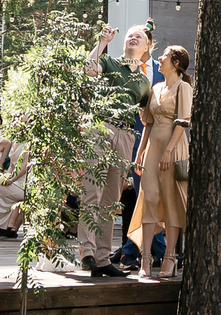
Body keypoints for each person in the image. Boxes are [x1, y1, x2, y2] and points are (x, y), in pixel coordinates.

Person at [80, 25, 153, 277]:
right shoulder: (109, 62)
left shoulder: (144, 81)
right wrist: (102, 42)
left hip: (126, 135)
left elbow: (147, 115)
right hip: (101, 127)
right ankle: (87, 253)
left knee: (111, 200)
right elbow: (88, 70)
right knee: (92, 191)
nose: (132, 38)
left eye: (138, 37)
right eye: (130, 35)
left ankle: (102, 259)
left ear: (146, 47)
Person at [131, 45, 194, 279]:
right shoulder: (155, 88)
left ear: (176, 63)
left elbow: (183, 121)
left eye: (165, 55)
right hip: (152, 150)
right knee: (149, 198)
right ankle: (145, 258)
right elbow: (148, 123)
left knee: (171, 199)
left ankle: (170, 258)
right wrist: (140, 152)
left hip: (173, 148)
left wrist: (168, 151)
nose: (160, 58)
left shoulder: (183, 87)